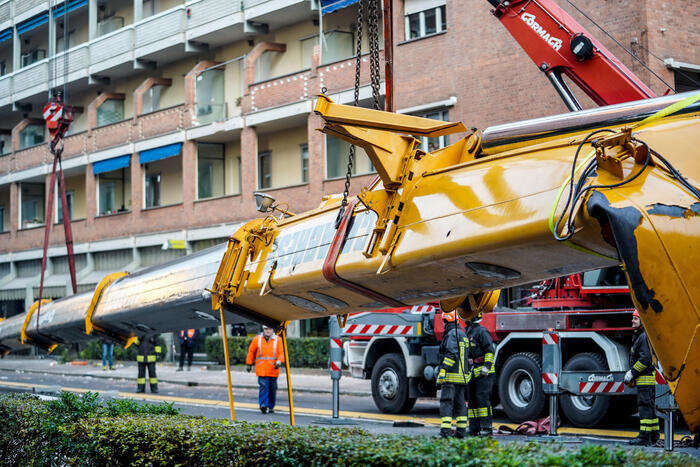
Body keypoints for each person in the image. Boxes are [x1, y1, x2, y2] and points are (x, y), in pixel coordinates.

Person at [625, 310, 659, 446]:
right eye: (633, 318)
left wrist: (632, 373)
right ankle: (654, 435)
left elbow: (645, 359)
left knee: (645, 408)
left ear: (642, 321)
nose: (632, 321)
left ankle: (644, 437)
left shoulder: (642, 337)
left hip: (644, 379)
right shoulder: (640, 336)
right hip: (646, 379)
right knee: (649, 409)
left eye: (635, 319)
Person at [436, 309, 470, 438]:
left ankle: (445, 432)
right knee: (460, 404)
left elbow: (451, 354)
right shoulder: (463, 334)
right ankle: (461, 432)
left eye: (444, 321)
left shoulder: (451, 334)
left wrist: (443, 369)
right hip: (462, 378)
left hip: (450, 377)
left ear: (446, 321)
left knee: (446, 402)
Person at [465, 311, 496, 436]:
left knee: (482, 400)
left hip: (484, 372)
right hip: (472, 372)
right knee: (472, 401)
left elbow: (489, 350)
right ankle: (474, 427)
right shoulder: (468, 331)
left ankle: (486, 428)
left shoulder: (481, 331)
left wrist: (487, 366)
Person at [246, 325, 284, 414]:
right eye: (266, 329)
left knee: (272, 389)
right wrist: (249, 364)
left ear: (273, 330)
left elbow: (281, 353)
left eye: (270, 329)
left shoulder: (278, 340)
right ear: (263, 329)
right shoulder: (257, 339)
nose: (268, 331)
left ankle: (270, 406)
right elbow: (251, 352)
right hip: (262, 369)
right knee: (263, 387)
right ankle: (263, 405)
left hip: (273, 369)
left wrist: (279, 362)